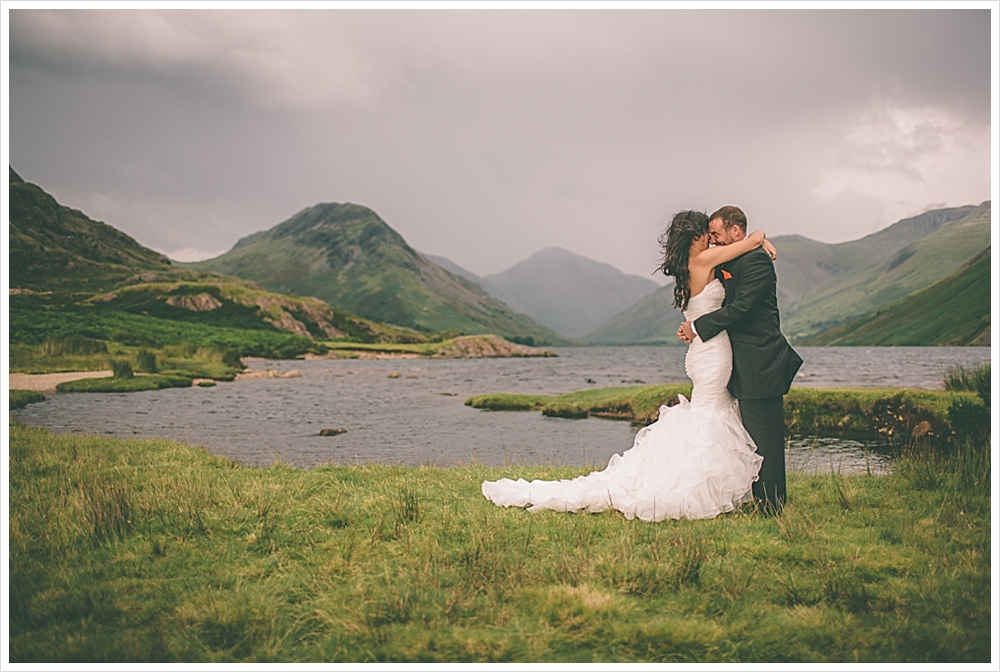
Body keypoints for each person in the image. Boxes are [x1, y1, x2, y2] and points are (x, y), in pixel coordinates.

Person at [481, 210, 779, 521]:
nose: (712, 237)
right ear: (695, 236)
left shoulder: (695, 263)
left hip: (706, 349)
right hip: (712, 352)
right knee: (709, 412)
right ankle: (700, 487)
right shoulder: (703, 261)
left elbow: (737, 249)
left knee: (709, 410)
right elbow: (749, 240)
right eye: (708, 232)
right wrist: (760, 239)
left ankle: (713, 484)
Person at [678, 206, 803, 515]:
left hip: (760, 358)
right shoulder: (731, 258)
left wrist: (697, 327)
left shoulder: (757, 262)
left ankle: (772, 506)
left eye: (718, 234)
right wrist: (760, 238)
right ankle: (756, 498)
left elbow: (743, 308)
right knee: (750, 436)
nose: (714, 241)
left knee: (766, 440)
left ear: (736, 231)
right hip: (737, 360)